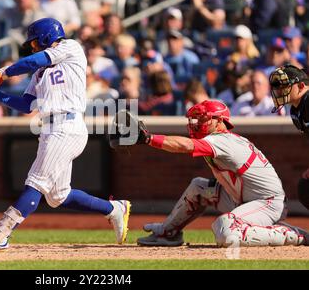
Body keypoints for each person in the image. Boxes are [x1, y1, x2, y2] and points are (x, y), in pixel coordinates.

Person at [0, 18, 131, 252]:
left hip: (67, 126)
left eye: (34, 42)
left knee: (35, 182)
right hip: (50, 128)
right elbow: (26, 105)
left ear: (45, 37)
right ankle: (115, 209)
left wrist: (4, 72)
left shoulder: (70, 47)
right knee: (58, 196)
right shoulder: (39, 73)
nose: (33, 47)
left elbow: (35, 59)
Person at [130, 99, 308, 247]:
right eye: (197, 118)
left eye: (204, 119)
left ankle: (294, 235)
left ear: (220, 121)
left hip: (267, 203)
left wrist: (149, 139)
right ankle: (168, 233)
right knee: (198, 186)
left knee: (225, 230)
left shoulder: (222, 140)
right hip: (244, 199)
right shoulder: (220, 139)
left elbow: (185, 146)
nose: (198, 122)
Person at [269, 64, 309, 210]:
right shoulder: (296, 110)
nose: (279, 91)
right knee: (305, 189)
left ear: (301, 86)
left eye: (285, 86)